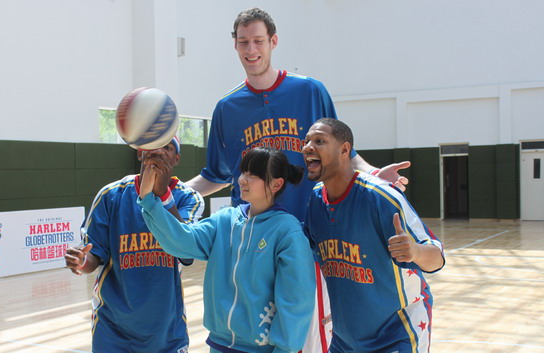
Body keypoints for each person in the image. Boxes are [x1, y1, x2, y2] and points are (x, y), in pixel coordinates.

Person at [184, 7, 410, 352]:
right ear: (235, 45)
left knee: (306, 336)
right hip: (252, 244)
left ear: (273, 41)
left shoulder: (310, 91)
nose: (251, 49)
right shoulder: (227, 108)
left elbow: (343, 153)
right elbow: (215, 176)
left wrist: (374, 175)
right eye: (243, 42)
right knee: (252, 336)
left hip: (307, 238)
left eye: (258, 40)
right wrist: (172, 193)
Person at [138, 147, 316, 353]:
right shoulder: (225, 219)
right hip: (219, 345)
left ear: (276, 184)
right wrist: (149, 201)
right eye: (243, 172)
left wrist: (285, 350)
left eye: (253, 175)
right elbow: (182, 242)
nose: (243, 180)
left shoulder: (287, 232)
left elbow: (295, 301)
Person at [302, 118, 445, 353]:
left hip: (396, 333)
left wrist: (415, 251)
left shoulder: (381, 197)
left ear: (345, 150)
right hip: (345, 337)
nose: (308, 147)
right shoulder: (316, 199)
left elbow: (436, 258)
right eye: (306, 141)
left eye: (319, 141)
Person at [64, 137, 204, 353]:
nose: (158, 150)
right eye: (152, 145)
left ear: (176, 159)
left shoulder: (188, 198)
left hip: (166, 330)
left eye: (166, 147)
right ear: (140, 152)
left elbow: (187, 254)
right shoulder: (110, 195)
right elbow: (93, 256)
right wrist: (81, 262)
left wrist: (164, 195)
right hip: (113, 329)